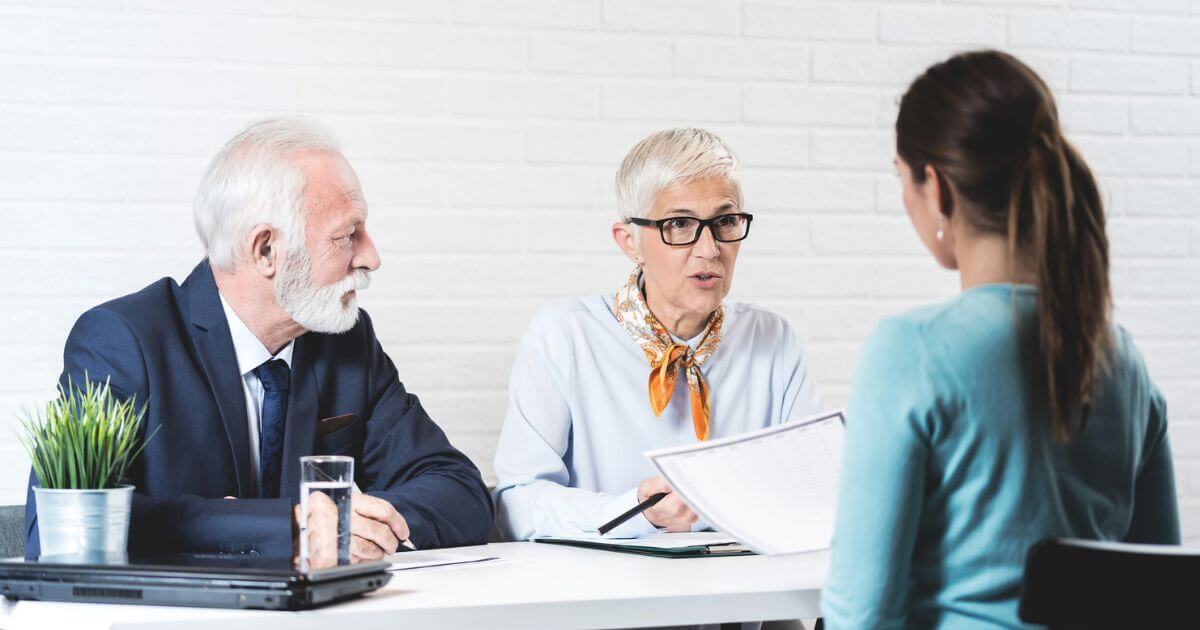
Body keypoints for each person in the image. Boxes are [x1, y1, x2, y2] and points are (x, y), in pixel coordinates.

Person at [24, 117, 494, 561]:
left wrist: (351, 524)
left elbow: (459, 491)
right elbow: (58, 529)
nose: (370, 257)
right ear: (267, 249)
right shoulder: (123, 341)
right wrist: (285, 529)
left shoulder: (348, 341)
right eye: (348, 235)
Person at [821, 50, 1180, 628]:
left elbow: (861, 613)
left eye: (900, 177)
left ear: (936, 188)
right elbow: (1160, 592)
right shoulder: (1122, 360)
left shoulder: (910, 350)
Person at [492, 128, 823, 541]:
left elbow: (814, 493)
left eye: (725, 221)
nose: (709, 249)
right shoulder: (565, 335)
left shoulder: (772, 339)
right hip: (609, 595)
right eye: (680, 224)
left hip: (750, 596)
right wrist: (633, 512)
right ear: (629, 242)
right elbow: (516, 504)